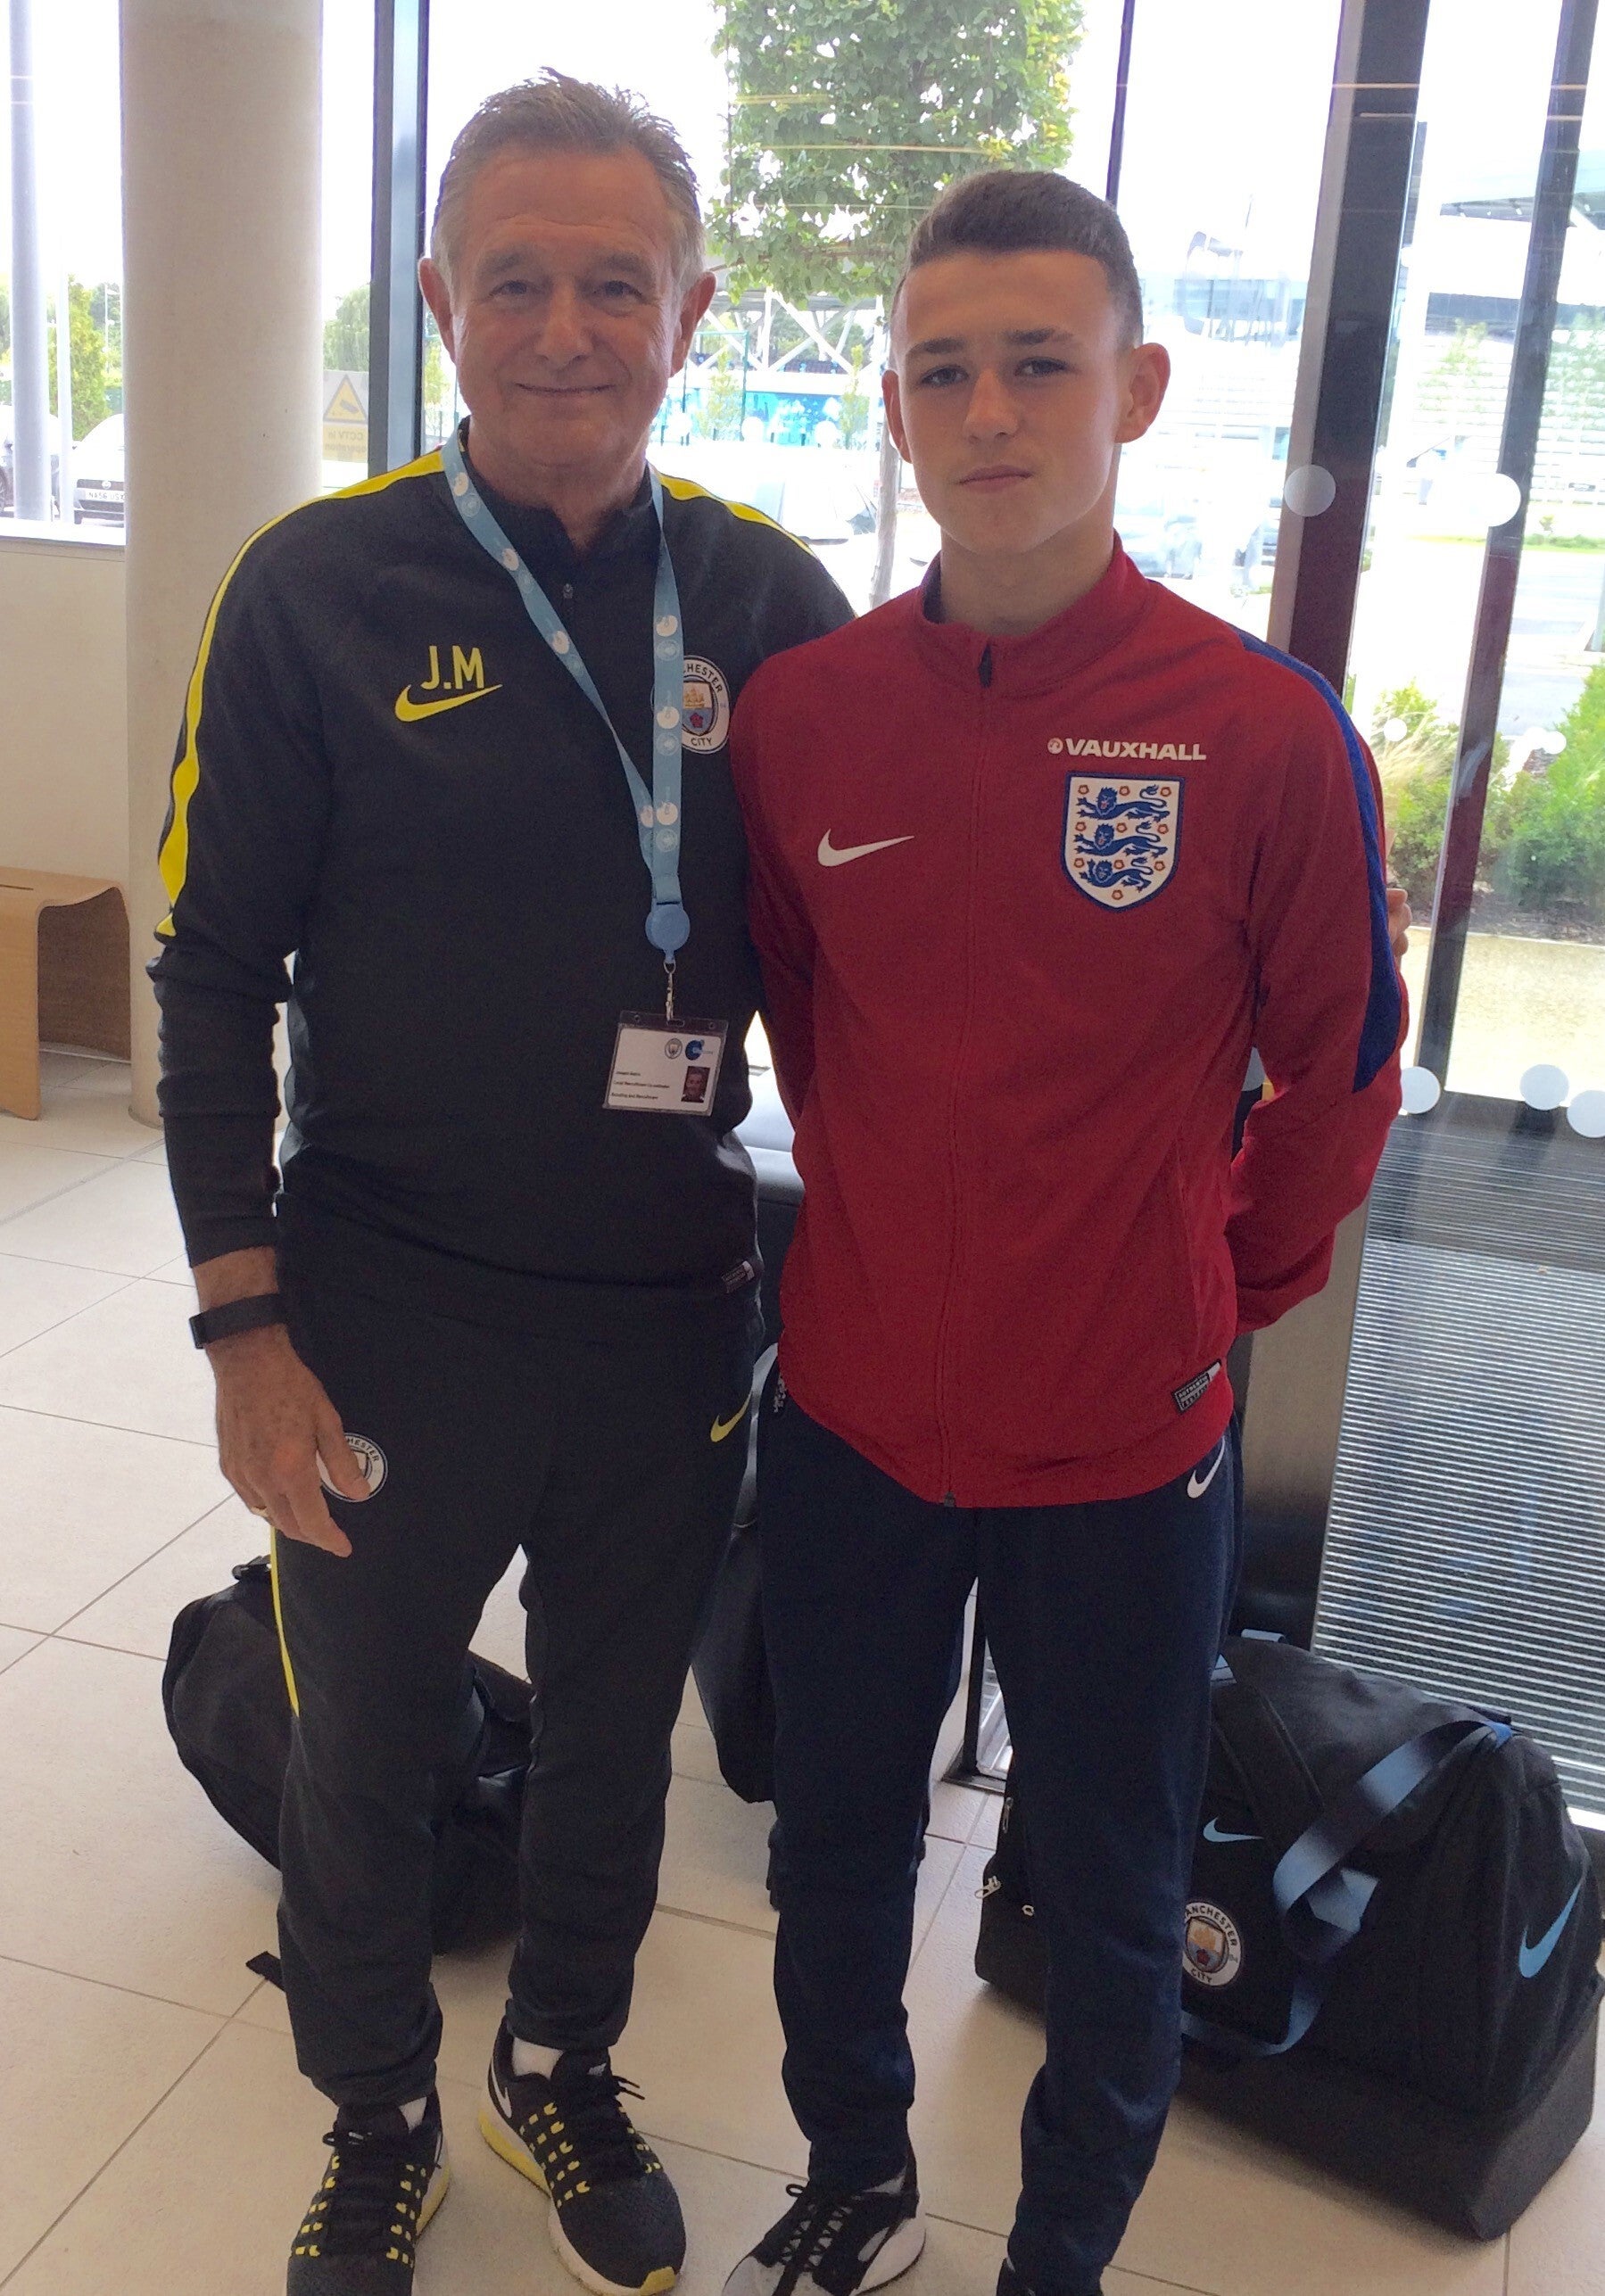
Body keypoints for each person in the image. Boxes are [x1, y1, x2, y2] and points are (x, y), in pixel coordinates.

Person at [151, 74, 850, 2296]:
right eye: (518, 280)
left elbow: (870, 972)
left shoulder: (772, 599)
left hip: (664, 1311)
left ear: (694, 309)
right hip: (381, 1312)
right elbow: (206, 983)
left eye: (616, 283)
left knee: (613, 1745)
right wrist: (245, 1333)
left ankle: (557, 2058)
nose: (568, 327)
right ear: (441, 298)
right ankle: (373, 2114)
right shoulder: (315, 590)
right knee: (362, 1743)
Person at [722, 170, 1407, 2296]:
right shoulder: (810, 716)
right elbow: (809, 1036)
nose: (990, 410)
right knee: (831, 1834)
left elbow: (1343, 1074)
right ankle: (856, 2176)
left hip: (1127, 1436)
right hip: (849, 1407)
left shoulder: (1262, 732)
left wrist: (1215, 1284)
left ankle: (1068, 2254)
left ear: (1140, 388)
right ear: (899, 417)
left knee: (1108, 1886)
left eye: (1040, 363)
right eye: (944, 371)